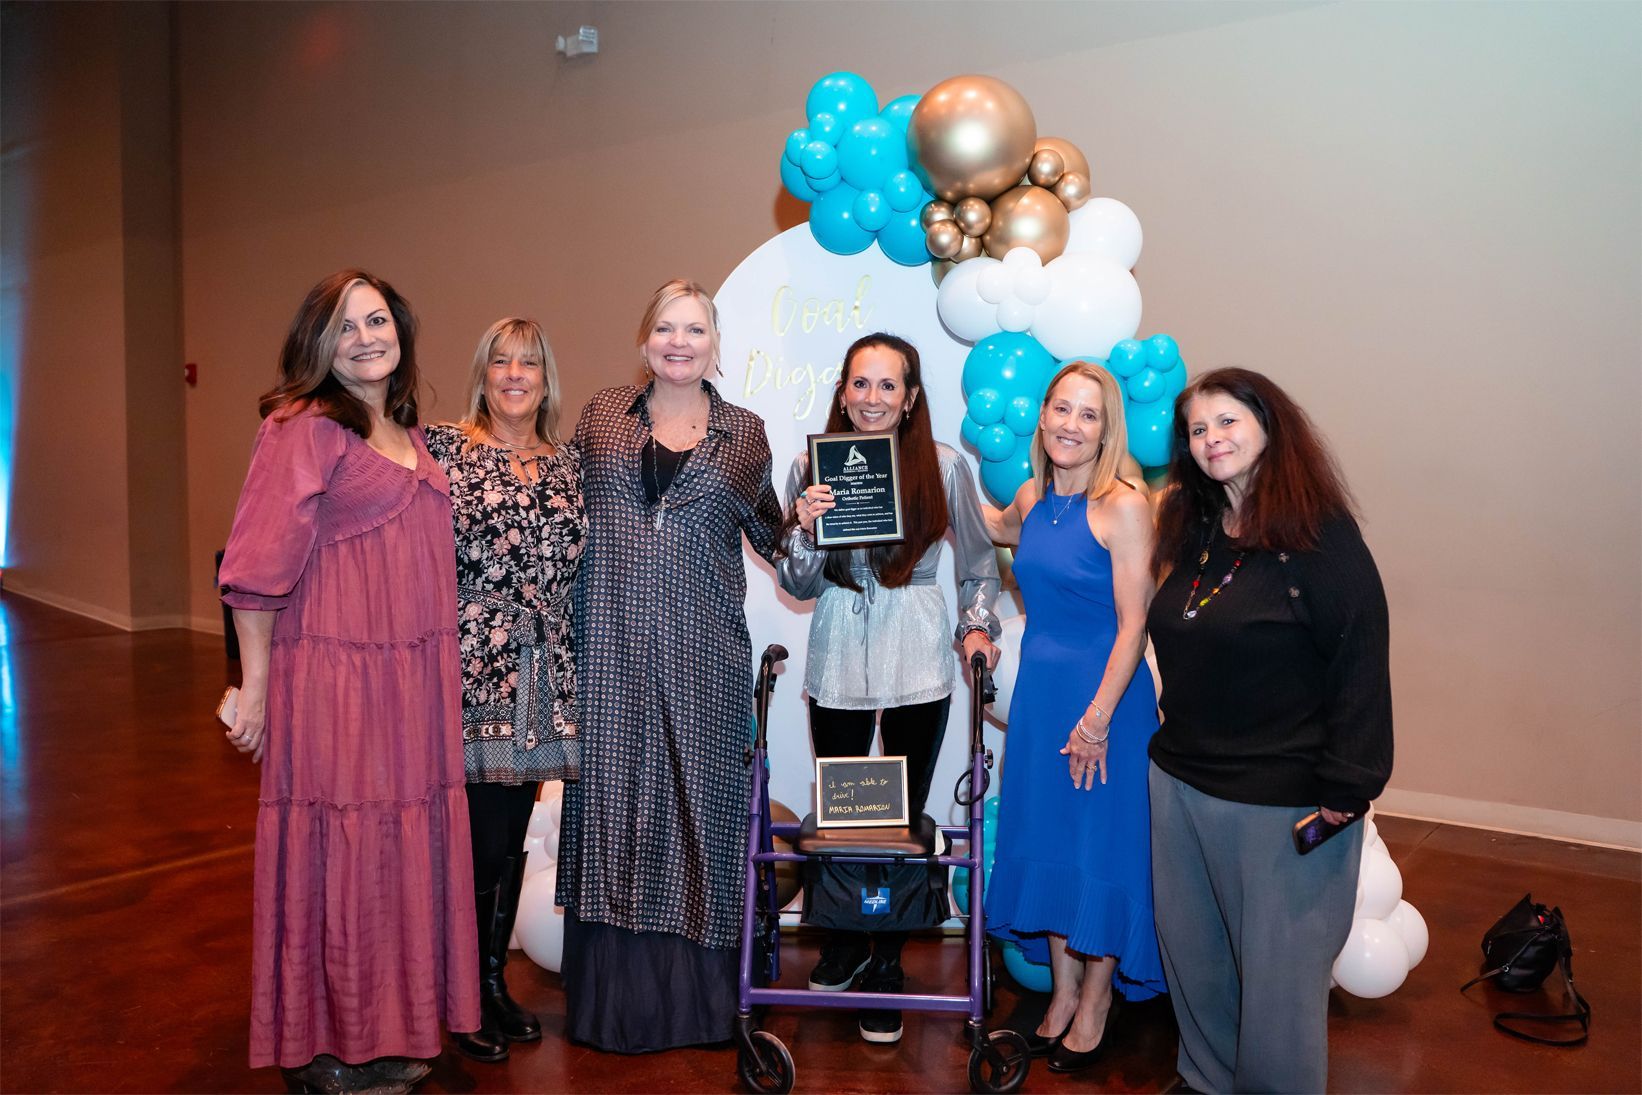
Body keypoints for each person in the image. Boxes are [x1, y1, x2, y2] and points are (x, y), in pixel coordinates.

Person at [219, 269, 479, 1093]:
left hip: (411, 681)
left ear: (400, 329)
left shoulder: (405, 427)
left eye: (377, 320)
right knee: (342, 850)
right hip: (336, 678)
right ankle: (326, 1045)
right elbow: (255, 569)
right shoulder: (303, 427)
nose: (366, 338)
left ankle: (386, 1028)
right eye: (346, 326)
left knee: (398, 852)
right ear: (320, 344)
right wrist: (254, 686)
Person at [1147, 367, 1393, 1094]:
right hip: (1181, 782)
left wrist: (1350, 784)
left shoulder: (1319, 538)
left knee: (1280, 988)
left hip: (1279, 799)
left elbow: (1359, 657)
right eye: (1197, 429)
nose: (1211, 438)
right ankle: (1207, 1080)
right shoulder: (1196, 529)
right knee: (1196, 960)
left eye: (1227, 421)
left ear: (1268, 426)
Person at [555, 278, 783, 1053]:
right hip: (608, 651)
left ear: (715, 345)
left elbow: (781, 546)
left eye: (694, 329)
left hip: (705, 656)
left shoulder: (745, 434)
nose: (678, 342)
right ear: (644, 338)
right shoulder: (601, 417)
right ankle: (610, 1009)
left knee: (700, 819)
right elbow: (559, 520)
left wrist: (817, 526)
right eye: (665, 327)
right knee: (614, 812)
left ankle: (706, 1008)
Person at [777, 332, 1001, 1044]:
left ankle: (887, 957)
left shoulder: (945, 466)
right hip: (839, 646)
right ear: (843, 393)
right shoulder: (808, 468)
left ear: (909, 398)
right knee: (846, 809)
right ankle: (844, 939)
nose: (872, 398)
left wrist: (976, 626)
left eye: (887, 385)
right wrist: (804, 527)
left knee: (901, 814)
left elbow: (979, 567)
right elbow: (797, 583)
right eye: (860, 383)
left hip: (917, 652)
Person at [981, 361, 1166, 1074]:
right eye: (1062, 408)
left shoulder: (1123, 506)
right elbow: (985, 524)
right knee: (1052, 840)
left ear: (1107, 430)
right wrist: (913, 478)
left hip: (1106, 704)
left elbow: (1134, 624)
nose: (1071, 424)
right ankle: (1060, 994)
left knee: (1100, 849)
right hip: (1040, 701)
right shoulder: (1032, 497)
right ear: (1043, 415)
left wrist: (1096, 721)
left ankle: (1095, 1001)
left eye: (1089, 414)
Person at [424, 318, 585, 1063]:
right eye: (500, 361)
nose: (515, 374)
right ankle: (457, 992)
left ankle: (491, 981)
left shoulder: (570, 463)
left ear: (546, 379)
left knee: (509, 834)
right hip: (468, 667)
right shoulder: (444, 448)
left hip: (542, 673)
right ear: (482, 374)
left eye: (529, 362)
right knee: (474, 842)